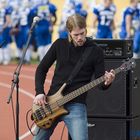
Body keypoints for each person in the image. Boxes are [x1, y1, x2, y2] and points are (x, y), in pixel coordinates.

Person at [33, 14, 115, 140]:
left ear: (86, 30)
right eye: (76, 35)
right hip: (52, 102)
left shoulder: (95, 51)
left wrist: (108, 82)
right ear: (69, 32)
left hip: (76, 105)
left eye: (82, 33)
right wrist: (39, 92)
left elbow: (100, 84)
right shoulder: (59, 44)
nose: (80, 38)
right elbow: (41, 69)